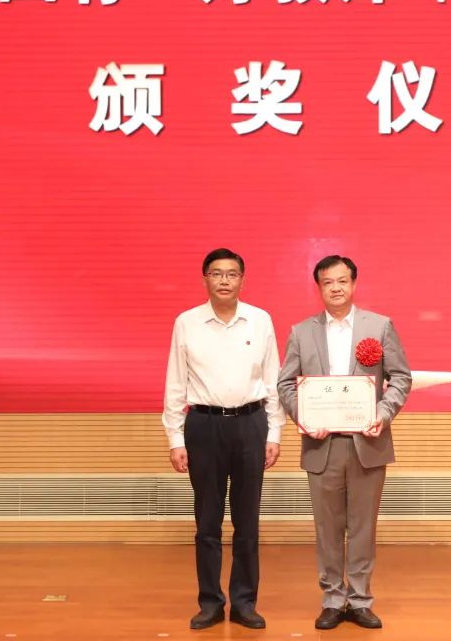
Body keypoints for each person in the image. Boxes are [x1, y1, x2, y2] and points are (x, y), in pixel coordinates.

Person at [277, 255, 411, 630]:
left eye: (342, 281)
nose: (335, 288)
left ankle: (361, 599)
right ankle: (333, 599)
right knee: (328, 529)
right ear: (318, 287)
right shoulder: (301, 332)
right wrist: (304, 416)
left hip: (367, 443)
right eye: (327, 282)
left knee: (363, 527)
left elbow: (401, 378)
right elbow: (285, 384)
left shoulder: (379, 326)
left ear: (353, 284)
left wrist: (382, 413)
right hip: (322, 445)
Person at [162, 248, 284, 630]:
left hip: (251, 424)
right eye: (217, 274)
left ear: (242, 280)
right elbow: (175, 382)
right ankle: (210, 603)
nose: (225, 280)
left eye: (232, 274)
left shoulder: (260, 320)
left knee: (247, 522)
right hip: (204, 426)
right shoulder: (187, 322)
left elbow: (273, 380)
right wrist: (175, 438)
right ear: (205, 279)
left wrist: (274, 432)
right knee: (207, 522)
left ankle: (245, 603)